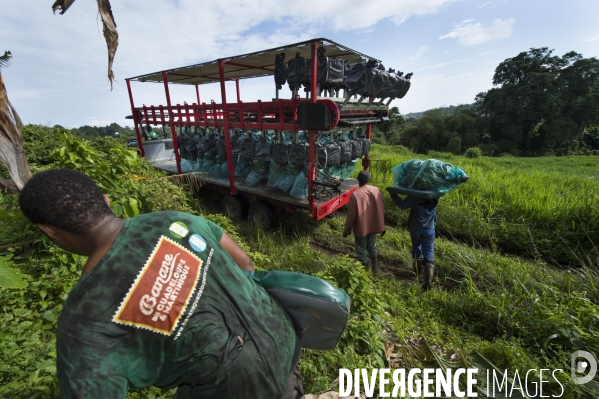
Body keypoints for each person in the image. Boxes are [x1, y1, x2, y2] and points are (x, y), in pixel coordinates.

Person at [19, 169, 303, 399]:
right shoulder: (177, 220)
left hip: (236, 388)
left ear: (49, 232)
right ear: (106, 201)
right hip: (282, 341)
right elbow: (245, 264)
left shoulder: (84, 315)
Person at [389, 193, 439, 289]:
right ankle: (428, 282)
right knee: (429, 253)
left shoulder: (415, 196)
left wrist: (393, 195)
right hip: (430, 228)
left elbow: (402, 205)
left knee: (416, 248)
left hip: (415, 228)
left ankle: (417, 273)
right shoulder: (435, 196)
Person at [343, 170, 385, 274]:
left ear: (358, 180)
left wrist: (347, 230)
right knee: (372, 247)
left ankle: (366, 270)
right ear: (368, 180)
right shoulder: (376, 190)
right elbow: (380, 208)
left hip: (362, 228)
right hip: (374, 226)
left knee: (361, 250)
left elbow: (351, 216)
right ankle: (375, 270)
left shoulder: (355, 195)